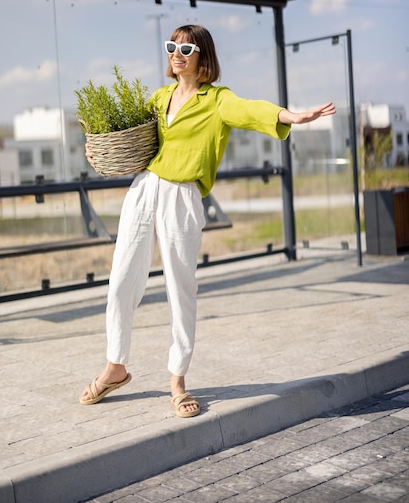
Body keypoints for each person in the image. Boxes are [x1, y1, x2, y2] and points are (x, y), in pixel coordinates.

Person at [80, 24, 336, 417]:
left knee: (179, 289)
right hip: (144, 189)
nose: (176, 52)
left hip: (182, 197)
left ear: (204, 56)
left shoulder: (217, 100)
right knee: (120, 282)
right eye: (172, 46)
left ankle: (178, 380)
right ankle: (116, 366)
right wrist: (97, 151)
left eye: (186, 47)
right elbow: (128, 138)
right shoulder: (158, 98)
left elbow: (252, 110)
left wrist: (293, 116)